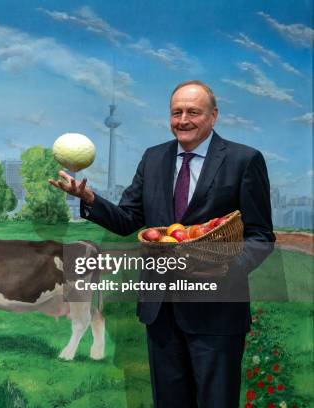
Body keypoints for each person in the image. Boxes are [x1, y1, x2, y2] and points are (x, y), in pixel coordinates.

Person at [50, 80, 274, 407]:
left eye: (193, 112)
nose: (183, 119)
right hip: (161, 313)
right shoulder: (153, 158)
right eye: (176, 112)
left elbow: (260, 237)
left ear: (213, 116)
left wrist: (223, 271)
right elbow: (127, 219)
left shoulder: (244, 160)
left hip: (216, 313)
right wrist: (89, 199)